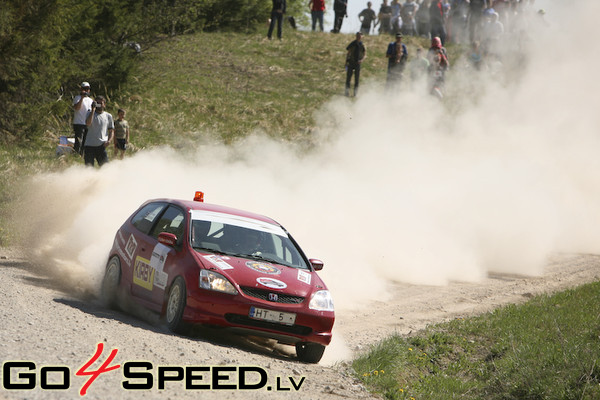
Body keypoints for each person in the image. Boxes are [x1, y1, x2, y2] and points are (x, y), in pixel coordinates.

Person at [84, 95, 114, 167]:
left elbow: (111, 130)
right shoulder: (89, 113)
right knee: (89, 167)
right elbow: (88, 123)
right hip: (89, 145)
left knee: (105, 167)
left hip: (101, 145)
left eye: (101, 103)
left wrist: (109, 141)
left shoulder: (108, 116)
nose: (99, 105)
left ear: (104, 104)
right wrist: (93, 110)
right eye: (97, 103)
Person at [72, 82, 93, 155]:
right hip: (78, 123)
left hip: (87, 123)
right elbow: (77, 108)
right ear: (81, 89)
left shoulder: (90, 100)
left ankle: (82, 155)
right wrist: (82, 98)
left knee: (85, 141)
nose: (86, 91)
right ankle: (76, 154)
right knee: (79, 141)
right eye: (84, 89)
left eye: (87, 89)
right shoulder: (77, 98)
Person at [345, 32, 366, 97]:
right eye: (357, 36)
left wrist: (361, 60)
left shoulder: (362, 45)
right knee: (348, 78)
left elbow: (365, 55)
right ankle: (347, 92)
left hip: (358, 63)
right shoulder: (353, 44)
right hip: (351, 62)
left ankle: (355, 93)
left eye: (360, 36)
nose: (358, 37)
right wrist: (346, 62)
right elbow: (348, 52)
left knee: (356, 79)